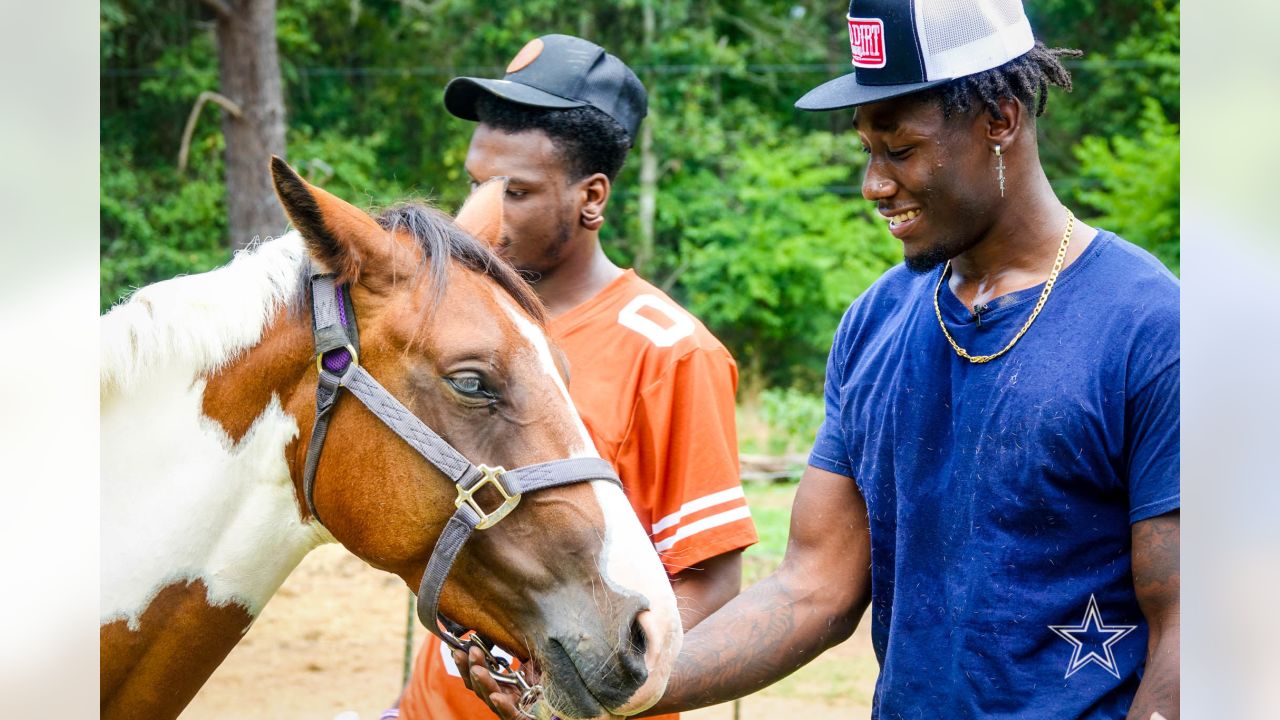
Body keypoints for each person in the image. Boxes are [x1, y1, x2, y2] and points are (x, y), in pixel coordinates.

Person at [457, 3, 1179, 719]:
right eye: (867, 149)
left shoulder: (1150, 328)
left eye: (899, 150)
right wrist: (611, 689)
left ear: (1000, 117)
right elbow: (813, 587)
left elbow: (1194, 627)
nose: (874, 183)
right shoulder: (877, 322)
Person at [389, 34, 759, 720]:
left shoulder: (671, 353)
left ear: (592, 198)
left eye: (517, 192)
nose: (485, 217)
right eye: (476, 184)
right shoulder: (459, 330)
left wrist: (572, 695)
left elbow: (710, 581)